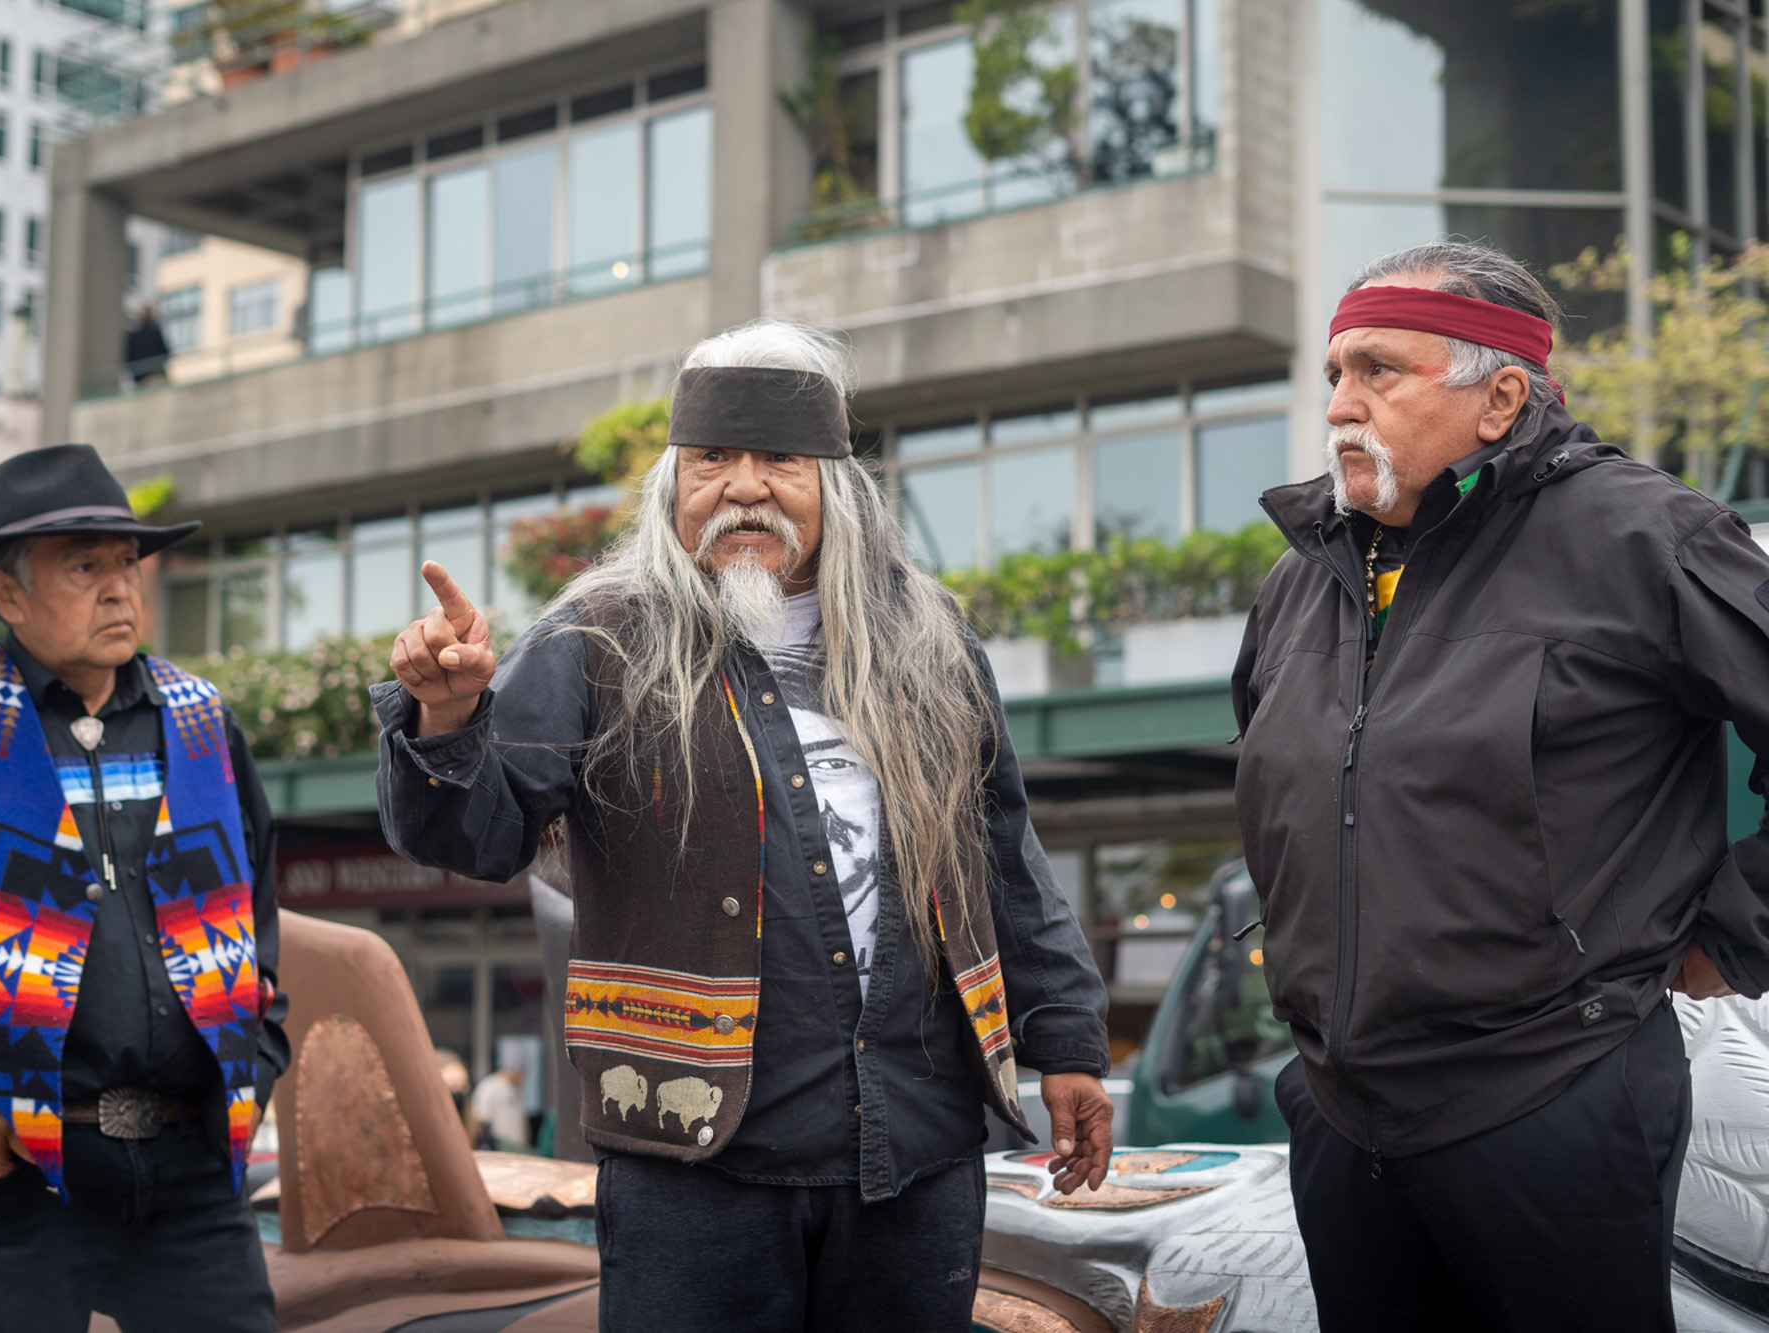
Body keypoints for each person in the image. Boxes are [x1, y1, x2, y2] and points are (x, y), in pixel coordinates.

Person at [373, 318, 1111, 1332]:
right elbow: (476, 838)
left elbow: (1003, 859)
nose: (744, 485)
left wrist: (1065, 1040)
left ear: (834, 487)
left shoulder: (933, 641)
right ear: (673, 484)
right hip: (693, 1164)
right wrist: (445, 720)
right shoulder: (595, 637)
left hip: (915, 1152)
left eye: (778, 458)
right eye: (712, 458)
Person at [1233, 240, 1769, 1331]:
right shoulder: (1297, 583)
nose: (1341, 402)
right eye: (1332, 373)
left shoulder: (1640, 535)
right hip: (1341, 1114)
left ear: (1500, 396)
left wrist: (1732, 927)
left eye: (1378, 370)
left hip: (1553, 1094)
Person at [0, 444, 288, 1333]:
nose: (119, 590)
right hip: (19, 1180)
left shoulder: (205, 722)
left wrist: (257, 1072)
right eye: (82, 566)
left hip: (194, 1177)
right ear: (6, 594)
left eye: (125, 564)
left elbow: (258, 935)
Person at [470, 1060, 530, 1152]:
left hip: (515, 1145)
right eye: (522, 1072)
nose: (523, 1077)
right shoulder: (488, 1086)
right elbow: (482, 1117)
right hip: (498, 1145)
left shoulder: (512, 1088)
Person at [124, 304, 169, 386]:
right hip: (156, 375)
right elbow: (165, 352)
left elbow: (128, 359)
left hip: (142, 378)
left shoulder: (133, 337)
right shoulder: (154, 332)